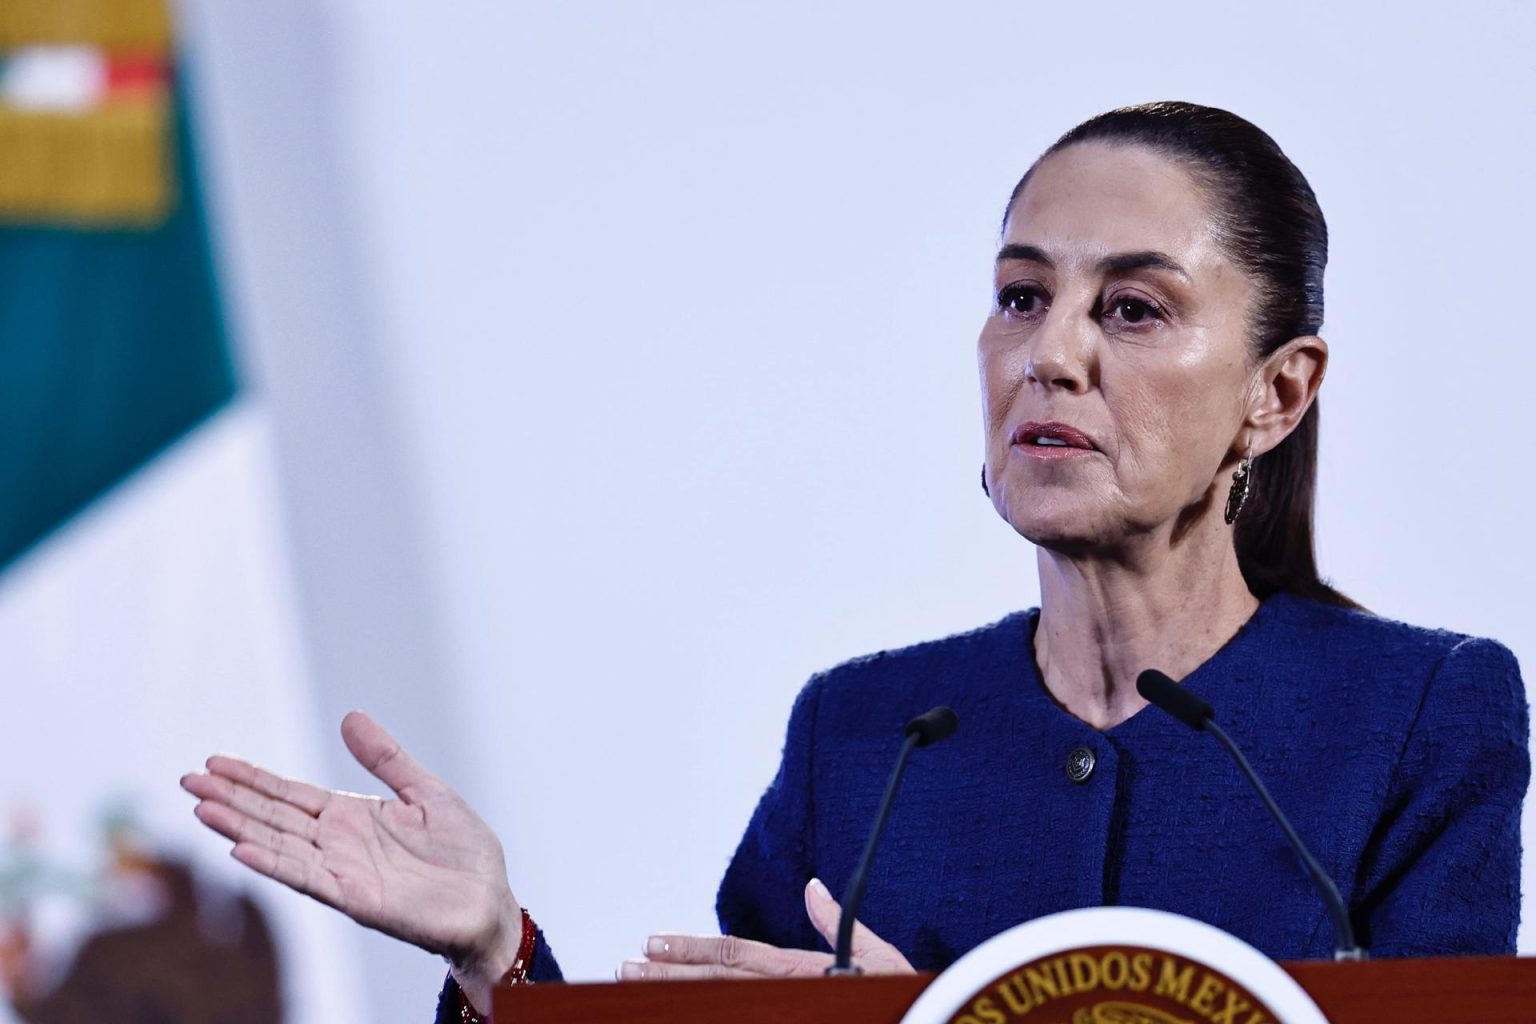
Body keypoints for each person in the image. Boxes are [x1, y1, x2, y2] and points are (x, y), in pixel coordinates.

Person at [179, 102, 1529, 1021]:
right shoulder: (869, 737)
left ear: (1276, 397)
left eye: (1132, 307)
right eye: (1020, 296)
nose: (1049, 353)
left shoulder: (1421, 718)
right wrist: (499, 959)